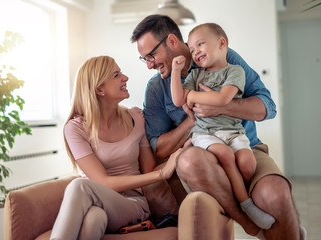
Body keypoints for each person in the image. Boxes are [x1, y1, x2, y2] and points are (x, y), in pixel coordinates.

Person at [131, 15, 306, 240]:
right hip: (202, 153)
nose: (149, 64)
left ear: (172, 42)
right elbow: (160, 149)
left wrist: (222, 106)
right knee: (189, 160)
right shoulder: (156, 87)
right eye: (143, 59)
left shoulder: (224, 59)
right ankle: (248, 222)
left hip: (244, 146)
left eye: (151, 55)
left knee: (275, 193)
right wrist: (191, 122)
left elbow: (267, 108)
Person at [50, 56, 181, 240]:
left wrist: (179, 153)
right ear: (99, 89)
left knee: (79, 186)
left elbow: (148, 169)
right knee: (94, 218)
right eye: (116, 75)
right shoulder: (76, 128)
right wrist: (161, 174)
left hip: (132, 204)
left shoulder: (135, 117)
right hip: (94, 202)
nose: (125, 78)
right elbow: (102, 182)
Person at [171, 22, 275, 230]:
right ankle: (246, 205)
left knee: (247, 163)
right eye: (192, 49)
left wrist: (191, 95)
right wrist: (175, 71)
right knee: (226, 155)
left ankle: (233, 196)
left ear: (221, 43)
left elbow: (223, 100)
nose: (195, 52)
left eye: (200, 44)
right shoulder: (195, 75)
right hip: (205, 133)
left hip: (234, 131)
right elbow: (177, 100)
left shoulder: (235, 71)